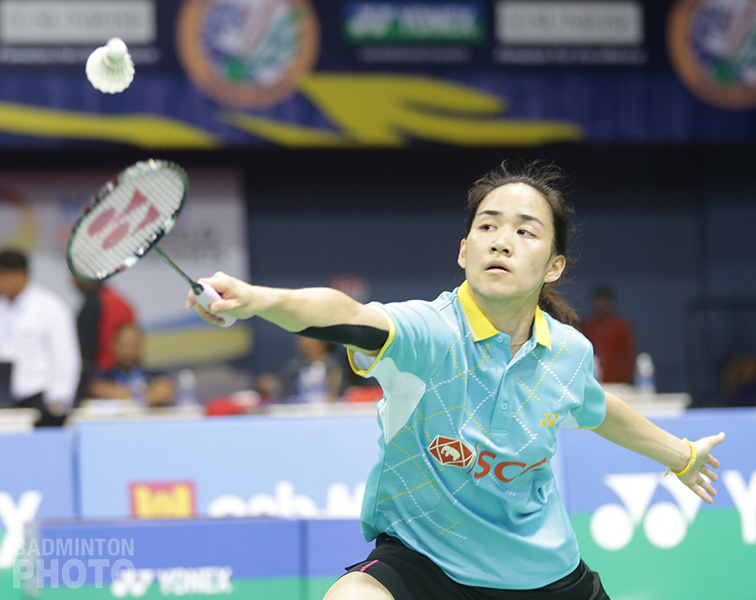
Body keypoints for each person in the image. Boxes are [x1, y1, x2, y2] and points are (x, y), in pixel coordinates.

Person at [186, 160, 726, 600]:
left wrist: (680, 456)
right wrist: (257, 300)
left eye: (525, 231)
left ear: (554, 266)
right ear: (465, 250)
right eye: (487, 226)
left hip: (543, 576)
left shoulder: (566, 352)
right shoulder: (431, 334)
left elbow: (597, 408)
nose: (502, 241)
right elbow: (347, 314)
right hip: (425, 564)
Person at [0, 248, 81, 426]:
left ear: (19, 274)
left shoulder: (50, 307)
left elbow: (66, 358)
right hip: (5, 401)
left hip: (40, 400)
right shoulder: (2, 308)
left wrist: (58, 402)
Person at [72, 277, 136, 403]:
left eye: (74, 274)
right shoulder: (118, 300)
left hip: (104, 381)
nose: (71, 280)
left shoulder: (101, 303)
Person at [88, 323, 175, 408]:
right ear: (113, 346)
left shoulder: (155, 375)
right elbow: (99, 390)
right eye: (124, 344)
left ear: (141, 346)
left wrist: (127, 399)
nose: (128, 351)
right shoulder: (100, 376)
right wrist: (143, 396)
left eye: (132, 344)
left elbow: (163, 391)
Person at [580, 287, 635, 384]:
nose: (601, 305)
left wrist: (623, 377)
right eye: (599, 302)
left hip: (616, 380)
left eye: (604, 302)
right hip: (592, 379)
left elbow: (628, 354)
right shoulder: (588, 325)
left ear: (610, 303)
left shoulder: (620, 326)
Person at [280, 336, 345, 403]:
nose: (302, 343)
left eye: (306, 338)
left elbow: (337, 391)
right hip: (299, 405)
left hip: (327, 405)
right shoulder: (293, 368)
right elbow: (285, 391)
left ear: (321, 342)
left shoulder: (334, 366)